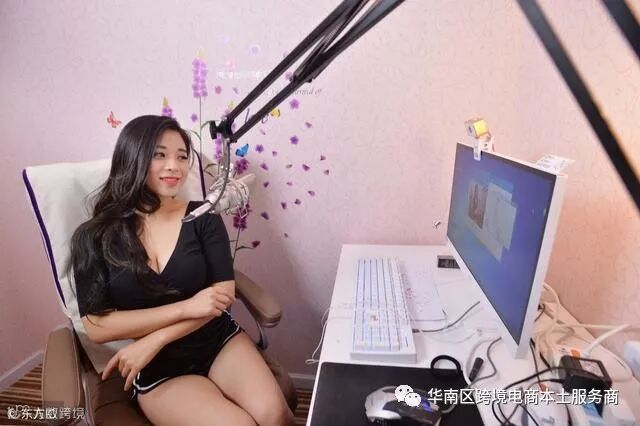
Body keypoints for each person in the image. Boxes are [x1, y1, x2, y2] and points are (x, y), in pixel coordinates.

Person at [66, 115, 294, 425]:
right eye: (159, 155)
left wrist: (155, 338)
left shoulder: (204, 218)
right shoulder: (93, 237)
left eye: (182, 156)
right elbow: (97, 326)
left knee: (275, 415)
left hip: (218, 342)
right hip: (159, 368)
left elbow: (221, 297)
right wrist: (185, 308)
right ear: (132, 157)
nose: (174, 166)